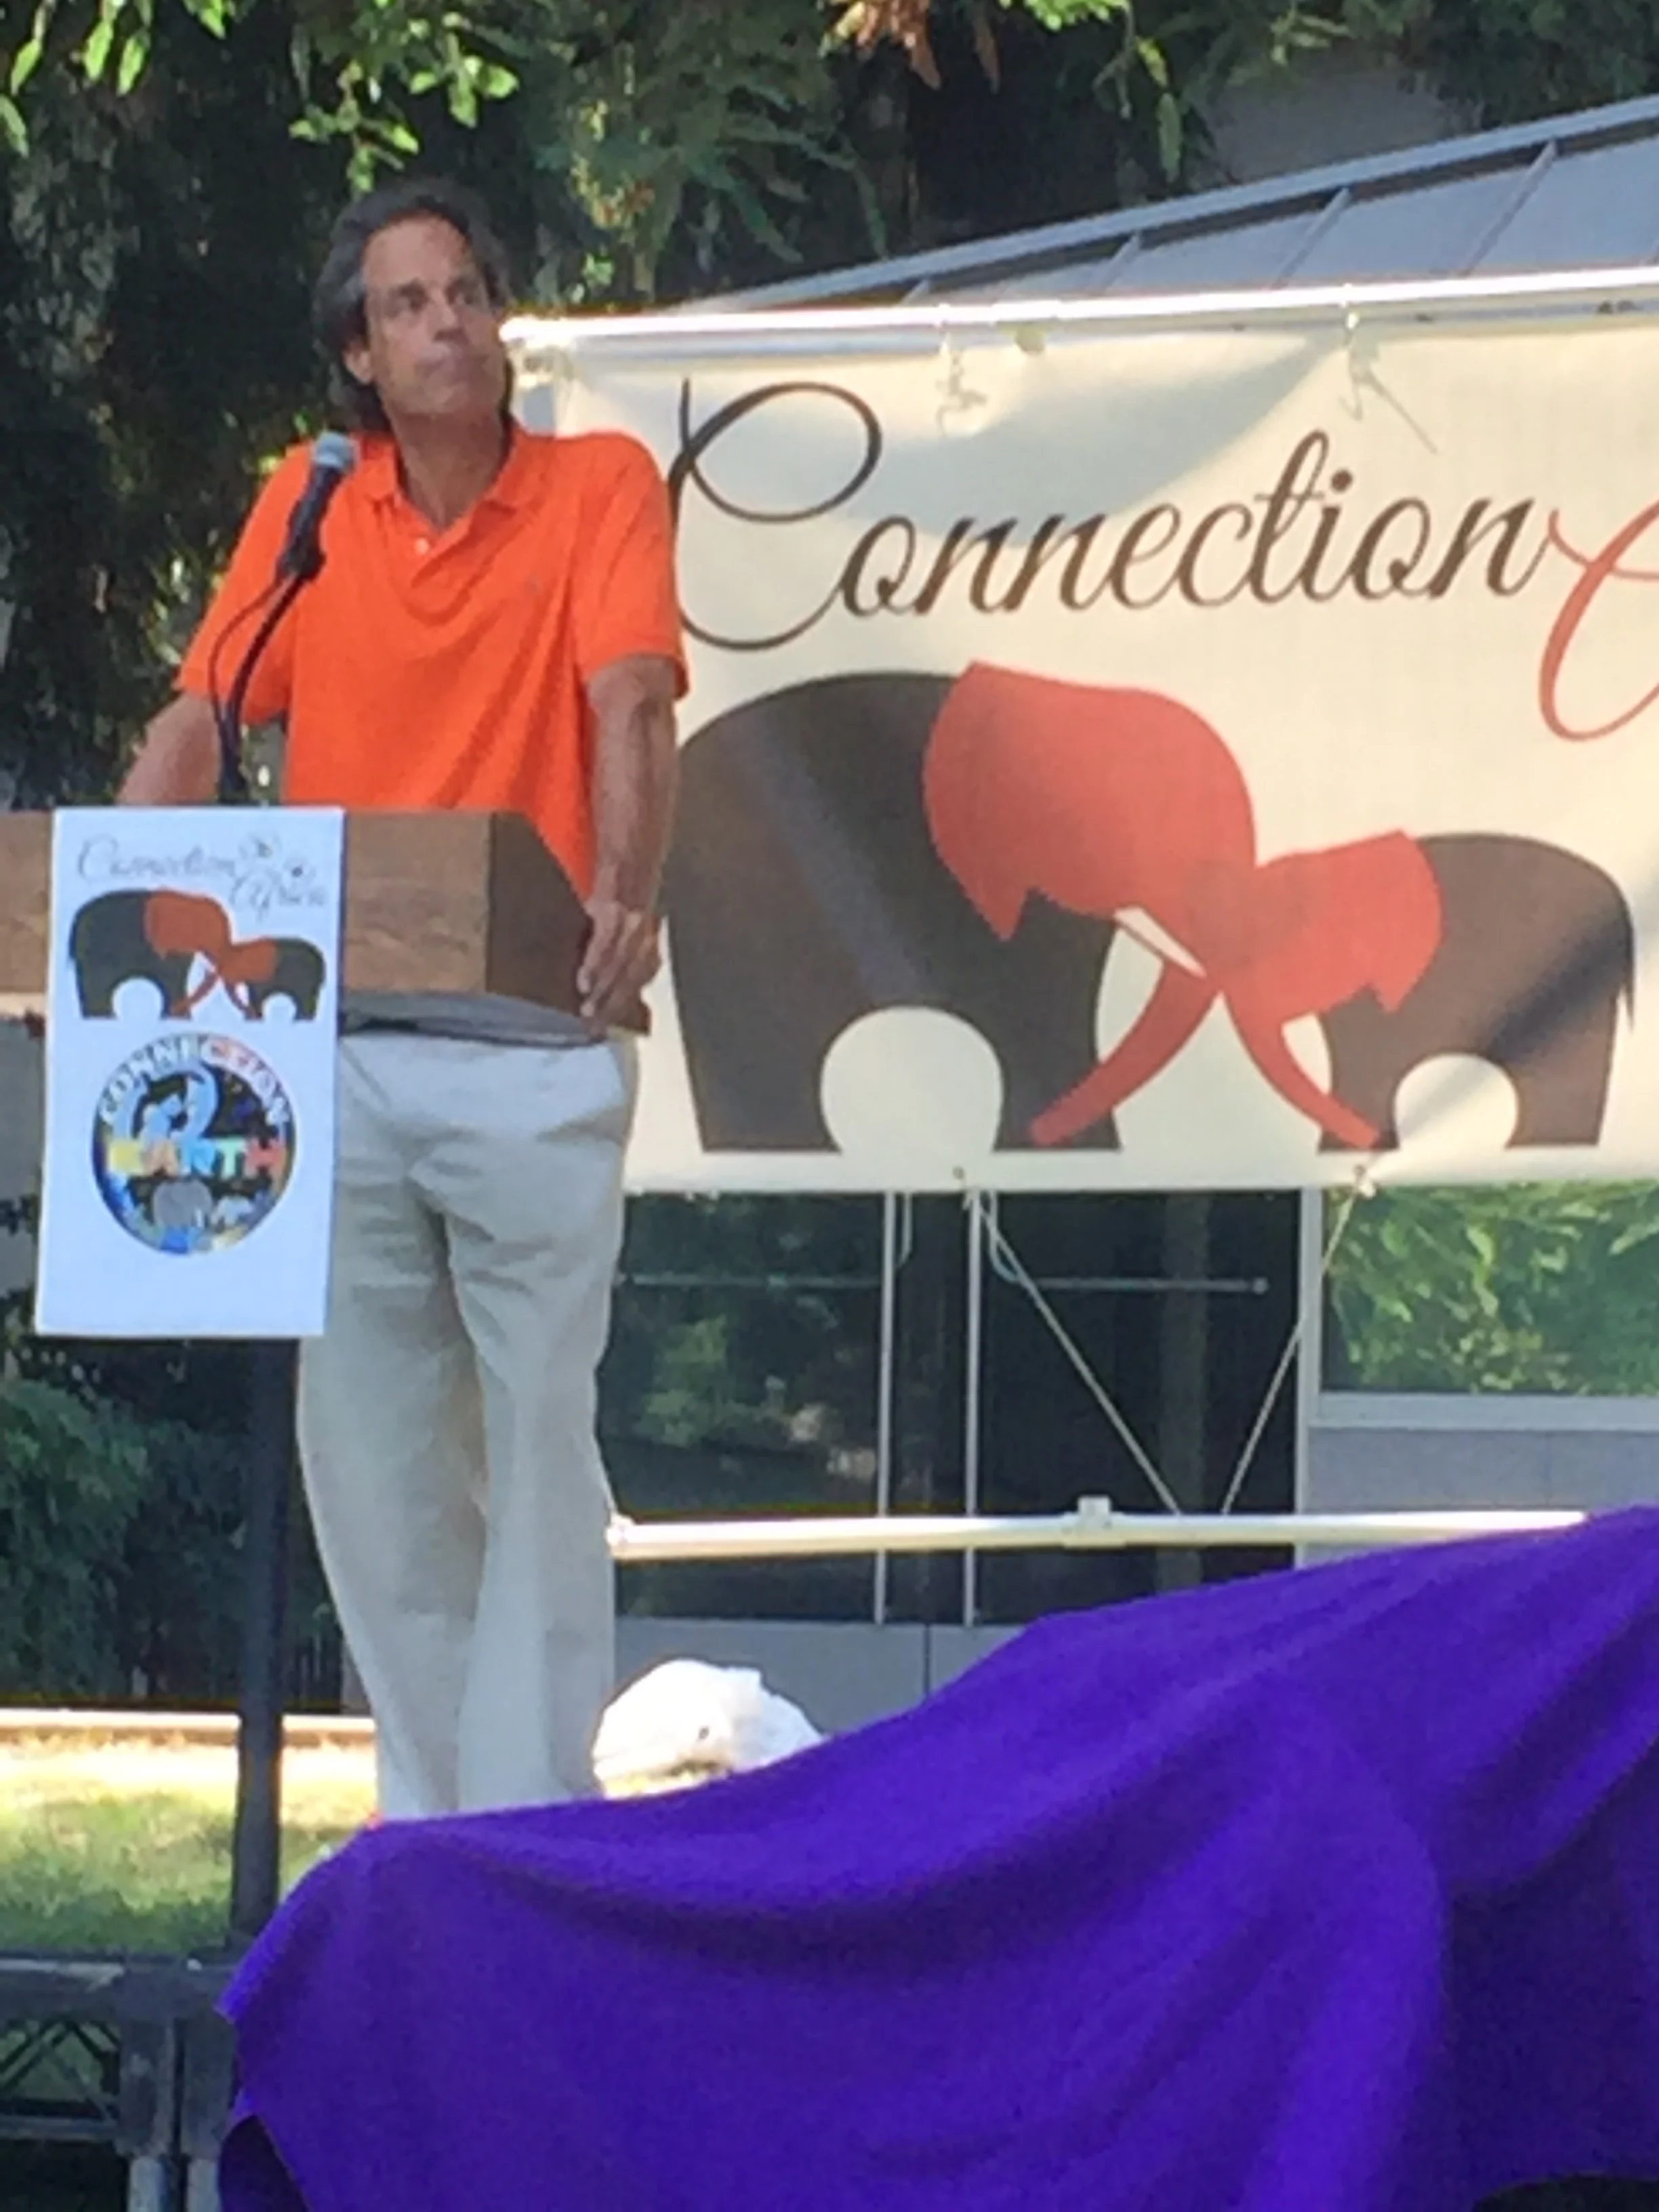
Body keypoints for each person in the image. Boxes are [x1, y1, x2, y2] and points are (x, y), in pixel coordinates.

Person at [118, 177, 685, 1820]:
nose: (450, 325)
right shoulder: (312, 509)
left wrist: (627, 891)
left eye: (467, 293)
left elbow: (633, 702)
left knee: (537, 1443)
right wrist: (100, 909)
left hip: (534, 1045)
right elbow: (205, 712)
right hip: (339, 1046)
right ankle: (440, 1837)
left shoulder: (595, 485)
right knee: (372, 1469)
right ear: (359, 355)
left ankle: (531, 1823)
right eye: (410, 305)